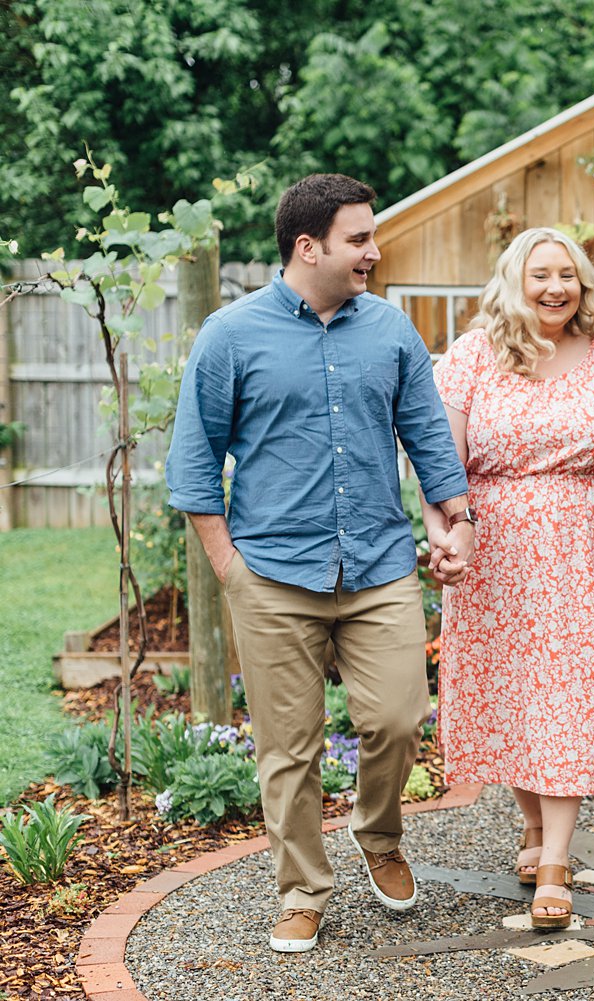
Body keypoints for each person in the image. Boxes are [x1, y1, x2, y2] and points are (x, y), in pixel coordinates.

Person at [166, 173, 473, 953]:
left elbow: (429, 438)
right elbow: (194, 463)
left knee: (399, 717)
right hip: (271, 576)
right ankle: (303, 889)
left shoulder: (393, 332)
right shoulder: (230, 335)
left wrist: (456, 520)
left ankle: (379, 832)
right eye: (359, 238)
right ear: (310, 246)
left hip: (378, 568)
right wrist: (230, 567)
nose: (373, 250)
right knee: (289, 751)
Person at [424, 227, 594, 931]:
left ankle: (556, 858)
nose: (557, 288)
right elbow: (443, 463)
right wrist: (447, 533)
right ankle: (533, 826)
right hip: (496, 549)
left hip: (589, 550)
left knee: (574, 695)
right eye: (542, 275)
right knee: (520, 693)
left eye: (569, 276)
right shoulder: (471, 356)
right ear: (513, 281)